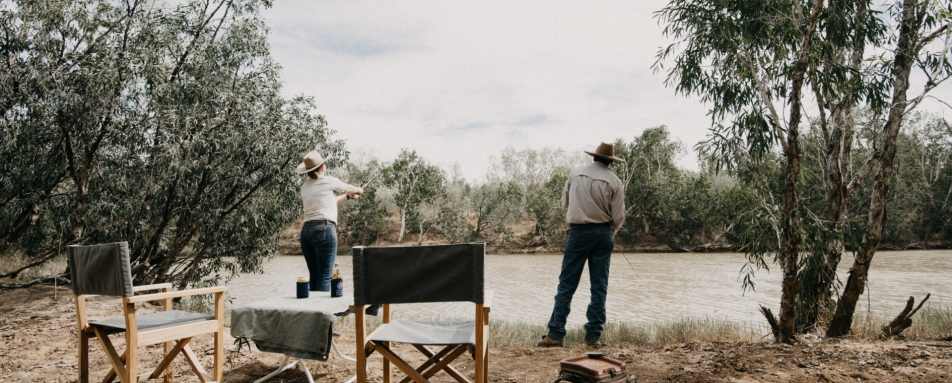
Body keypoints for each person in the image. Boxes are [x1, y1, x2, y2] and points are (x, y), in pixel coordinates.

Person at [538, 142, 626, 348]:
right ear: (610, 161)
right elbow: (619, 216)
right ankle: (593, 338)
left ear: (594, 157)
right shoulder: (614, 181)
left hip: (577, 233)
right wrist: (610, 232)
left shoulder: (575, 174)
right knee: (599, 286)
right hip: (603, 234)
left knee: (566, 284)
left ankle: (555, 334)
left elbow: (564, 204)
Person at [297, 150, 363, 292]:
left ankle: (313, 312)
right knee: (326, 277)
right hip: (324, 230)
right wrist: (359, 189)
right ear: (322, 167)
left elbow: (328, 202)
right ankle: (324, 312)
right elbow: (351, 188)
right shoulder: (328, 181)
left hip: (306, 232)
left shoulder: (305, 187)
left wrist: (347, 197)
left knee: (314, 277)